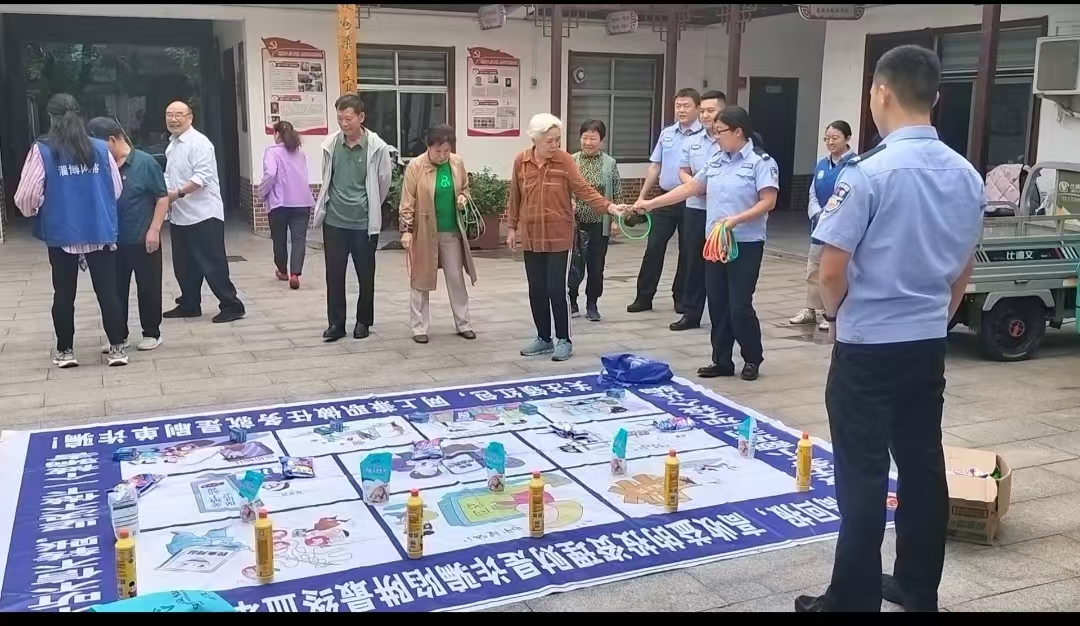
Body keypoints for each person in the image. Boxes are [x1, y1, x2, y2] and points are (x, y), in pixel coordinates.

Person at [794, 45, 984, 613]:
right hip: (926, 345)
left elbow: (832, 271)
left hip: (868, 348)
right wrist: (935, 318)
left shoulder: (868, 173)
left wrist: (837, 316)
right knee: (923, 466)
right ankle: (917, 588)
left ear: (880, 92)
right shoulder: (967, 175)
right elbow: (963, 270)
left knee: (863, 473)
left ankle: (852, 599)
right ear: (936, 98)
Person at [634, 106, 778, 382]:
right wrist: (651, 203)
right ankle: (721, 360)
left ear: (738, 132)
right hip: (715, 242)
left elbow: (768, 201)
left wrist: (735, 220)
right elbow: (690, 188)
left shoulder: (761, 162)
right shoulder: (716, 160)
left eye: (720, 131)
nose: (717, 137)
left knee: (739, 305)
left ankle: (752, 357)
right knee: (718, 302)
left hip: (745, 243)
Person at [14, 94, 128, 368]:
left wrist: (38, 209)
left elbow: (26, 197)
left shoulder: (42, 150)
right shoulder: (101, 148)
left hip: (61, 231)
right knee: (108, 292)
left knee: (64, 294)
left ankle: (65, 351)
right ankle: (117, 349)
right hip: (99, 230)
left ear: (50, 118)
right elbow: (115, 189)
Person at [506, 113, 625, 362]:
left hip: (559, 235)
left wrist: (609, 207)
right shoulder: (521, 161)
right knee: (536, 289)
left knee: (555, 289)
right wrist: (512, 227)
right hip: (532, 236)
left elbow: (583, 189)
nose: (555, 145)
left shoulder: (564, 161)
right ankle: (543, 338)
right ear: (535, 139)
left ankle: (564, 339)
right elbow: (515, 196)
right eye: (549, 141)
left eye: (557, 140)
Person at [312, 94, 393, 342]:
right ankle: (336, 324)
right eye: (340, 118)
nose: (344, 123)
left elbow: (383, 181)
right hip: (334, 221)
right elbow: (327, 177)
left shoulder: (376, 147)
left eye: (348, 118)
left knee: (365, 275)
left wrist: (369, 206)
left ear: (361, 117)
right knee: (334, 275)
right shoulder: (330, 144)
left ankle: (363, 321)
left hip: (363, 223)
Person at [88, 116, 169, 353]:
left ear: (112, 139)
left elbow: (162, 197)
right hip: (112, 241)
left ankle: (152, 333)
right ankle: (119, 335)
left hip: (142, 237)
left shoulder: (145, 163)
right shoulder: (101, 165)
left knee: (148, 288)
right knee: (115, 291)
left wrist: (154, 229)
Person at [163, 101, 246, 323]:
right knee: (184, 266)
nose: (173, 119)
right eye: (169, 115)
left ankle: (232, 305)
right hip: (180, 215)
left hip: (204, 215)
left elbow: (202, 177)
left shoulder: (200, 143)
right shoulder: (172, 145)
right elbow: (170, 176)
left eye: (179, 115)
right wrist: (166, 196)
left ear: (190, 117)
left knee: (212, 264)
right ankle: (189, 304)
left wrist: (177, 193)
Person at [628, 88, 705, 315]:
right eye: (678, 106)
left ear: (697, 108)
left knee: (688, 251)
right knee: (653, 247)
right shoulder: (667, 134)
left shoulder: (705, 137)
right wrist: (642, 196)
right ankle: (644, 296)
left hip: (692, 201)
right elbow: (655, 167)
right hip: (665, 198)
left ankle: (681, 297)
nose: (681, 110)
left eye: (686, 106)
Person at [398, 124, 477, 344]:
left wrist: (463, 197)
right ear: (428, 146)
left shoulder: (456, 163)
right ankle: (419, 327)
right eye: (438, 151)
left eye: (446, 151)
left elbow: (465, 188)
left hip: (451, 231)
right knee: (421, 279)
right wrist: (406, 230)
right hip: (424, 231)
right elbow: (407, 201)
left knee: (456, 278)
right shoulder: (416, 166)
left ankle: (464, 323)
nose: (442, 155)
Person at [790, 120, 855, 332]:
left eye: (835, 138)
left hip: (839, 226)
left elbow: (849, 196)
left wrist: (830, 215)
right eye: (827, 138)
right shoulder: (821, 164)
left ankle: (831, 311)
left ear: (847, 138)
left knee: (835, 272)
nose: (830, 142)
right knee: (814, 268)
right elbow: (813, 192)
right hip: (819, 226)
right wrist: (817, 213)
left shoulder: (854, 165)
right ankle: (811, 309)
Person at [673, 89, 726, 332]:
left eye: (711, 111)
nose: (705, 115)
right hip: (695, 207)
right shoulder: (692, 140)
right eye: (702, 111)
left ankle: (720, 315)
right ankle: (691, 313)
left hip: (722, 212)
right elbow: (682, 170)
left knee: (718, 262)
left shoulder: (731, 141)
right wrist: (695, 186)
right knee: (692, 261)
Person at [568, 119, 622, 322]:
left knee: (596, 266)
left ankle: (592, 304)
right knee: (574, 265)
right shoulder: (571, 160)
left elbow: (616, 192)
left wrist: (615, 220)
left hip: (600, 223)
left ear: (602, 140)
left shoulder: (609, 163)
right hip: (576, 223)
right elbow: (565, 188)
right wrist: (570, 202)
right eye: (585, 138)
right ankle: (572, 301)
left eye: (593, 139)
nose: (588, 143)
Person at [261, 120, 314, 290]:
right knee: (299, 240)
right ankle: (295, 274)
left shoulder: (272, 152)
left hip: (280, 203)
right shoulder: (300, 153)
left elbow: (270, 174)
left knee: (279, 239)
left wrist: (262, 192)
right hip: (302, 202)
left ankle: (283, 271)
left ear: (277, 134)